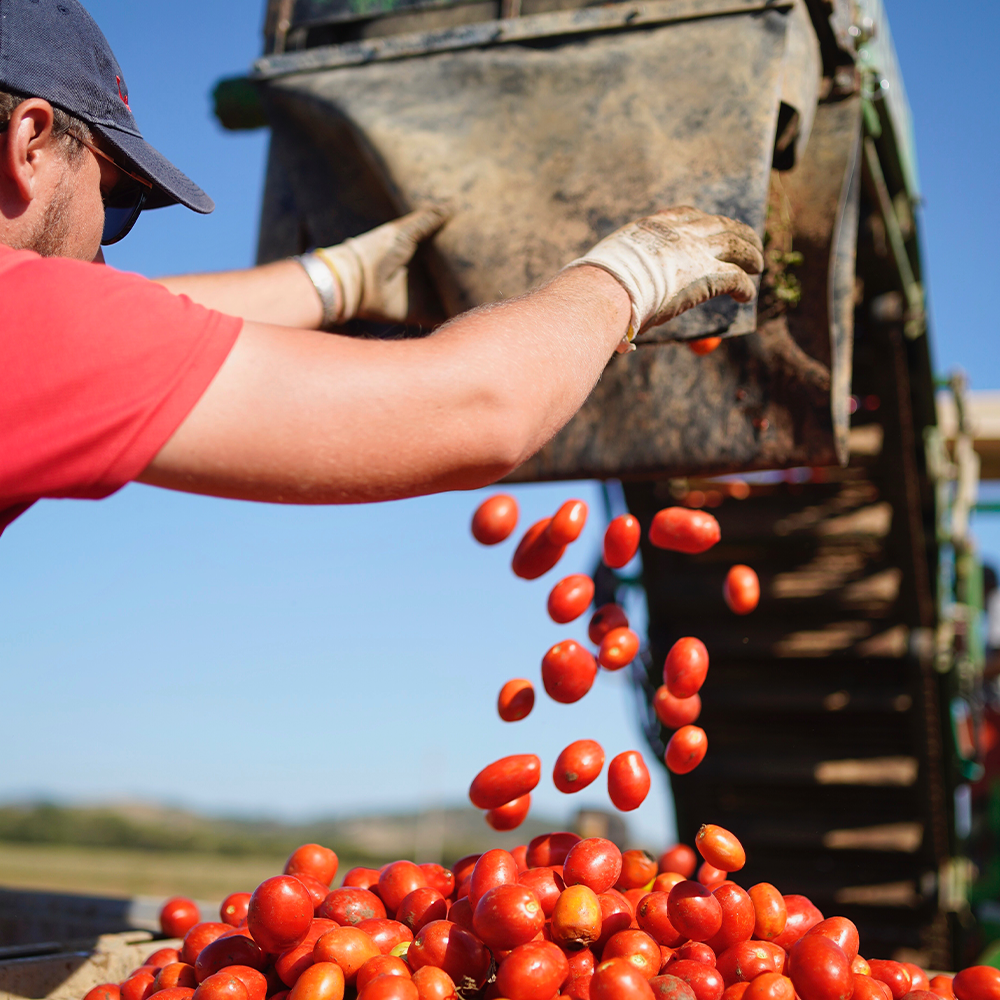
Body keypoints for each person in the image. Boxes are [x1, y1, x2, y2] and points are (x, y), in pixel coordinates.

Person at [0, 0, 764, 536]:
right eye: (118, 198)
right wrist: (627, 276)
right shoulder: (21, 324)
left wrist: (338, 280)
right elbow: (481, 408)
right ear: (32, 145)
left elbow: (129, 319)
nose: (103, 250)